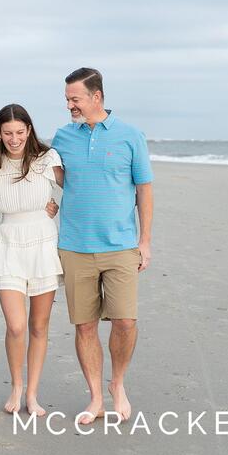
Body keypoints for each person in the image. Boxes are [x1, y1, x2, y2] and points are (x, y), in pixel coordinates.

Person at [51, 68, 154, 424]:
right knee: (84, 326)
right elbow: (49, 175)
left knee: (125, 321)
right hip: (75, 246)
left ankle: (118, 384)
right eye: (67, 99)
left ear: (96, 97)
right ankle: (95, 396)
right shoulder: (62, 137)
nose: (69, 105)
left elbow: (144, 190)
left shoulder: (130, 136)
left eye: (74, 99)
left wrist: (145, 241)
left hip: (121, 245)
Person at [0, 104, 64, 417]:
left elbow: (77, 188)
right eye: (8, 133)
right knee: (16, 326)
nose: (14, 139)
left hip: (43, 243)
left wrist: (55, 206)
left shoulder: (48, 159)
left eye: (20, 132)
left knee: (38, 326)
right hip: (8, 244)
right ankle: (16, 385)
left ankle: (32, 394)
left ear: (29, 130)